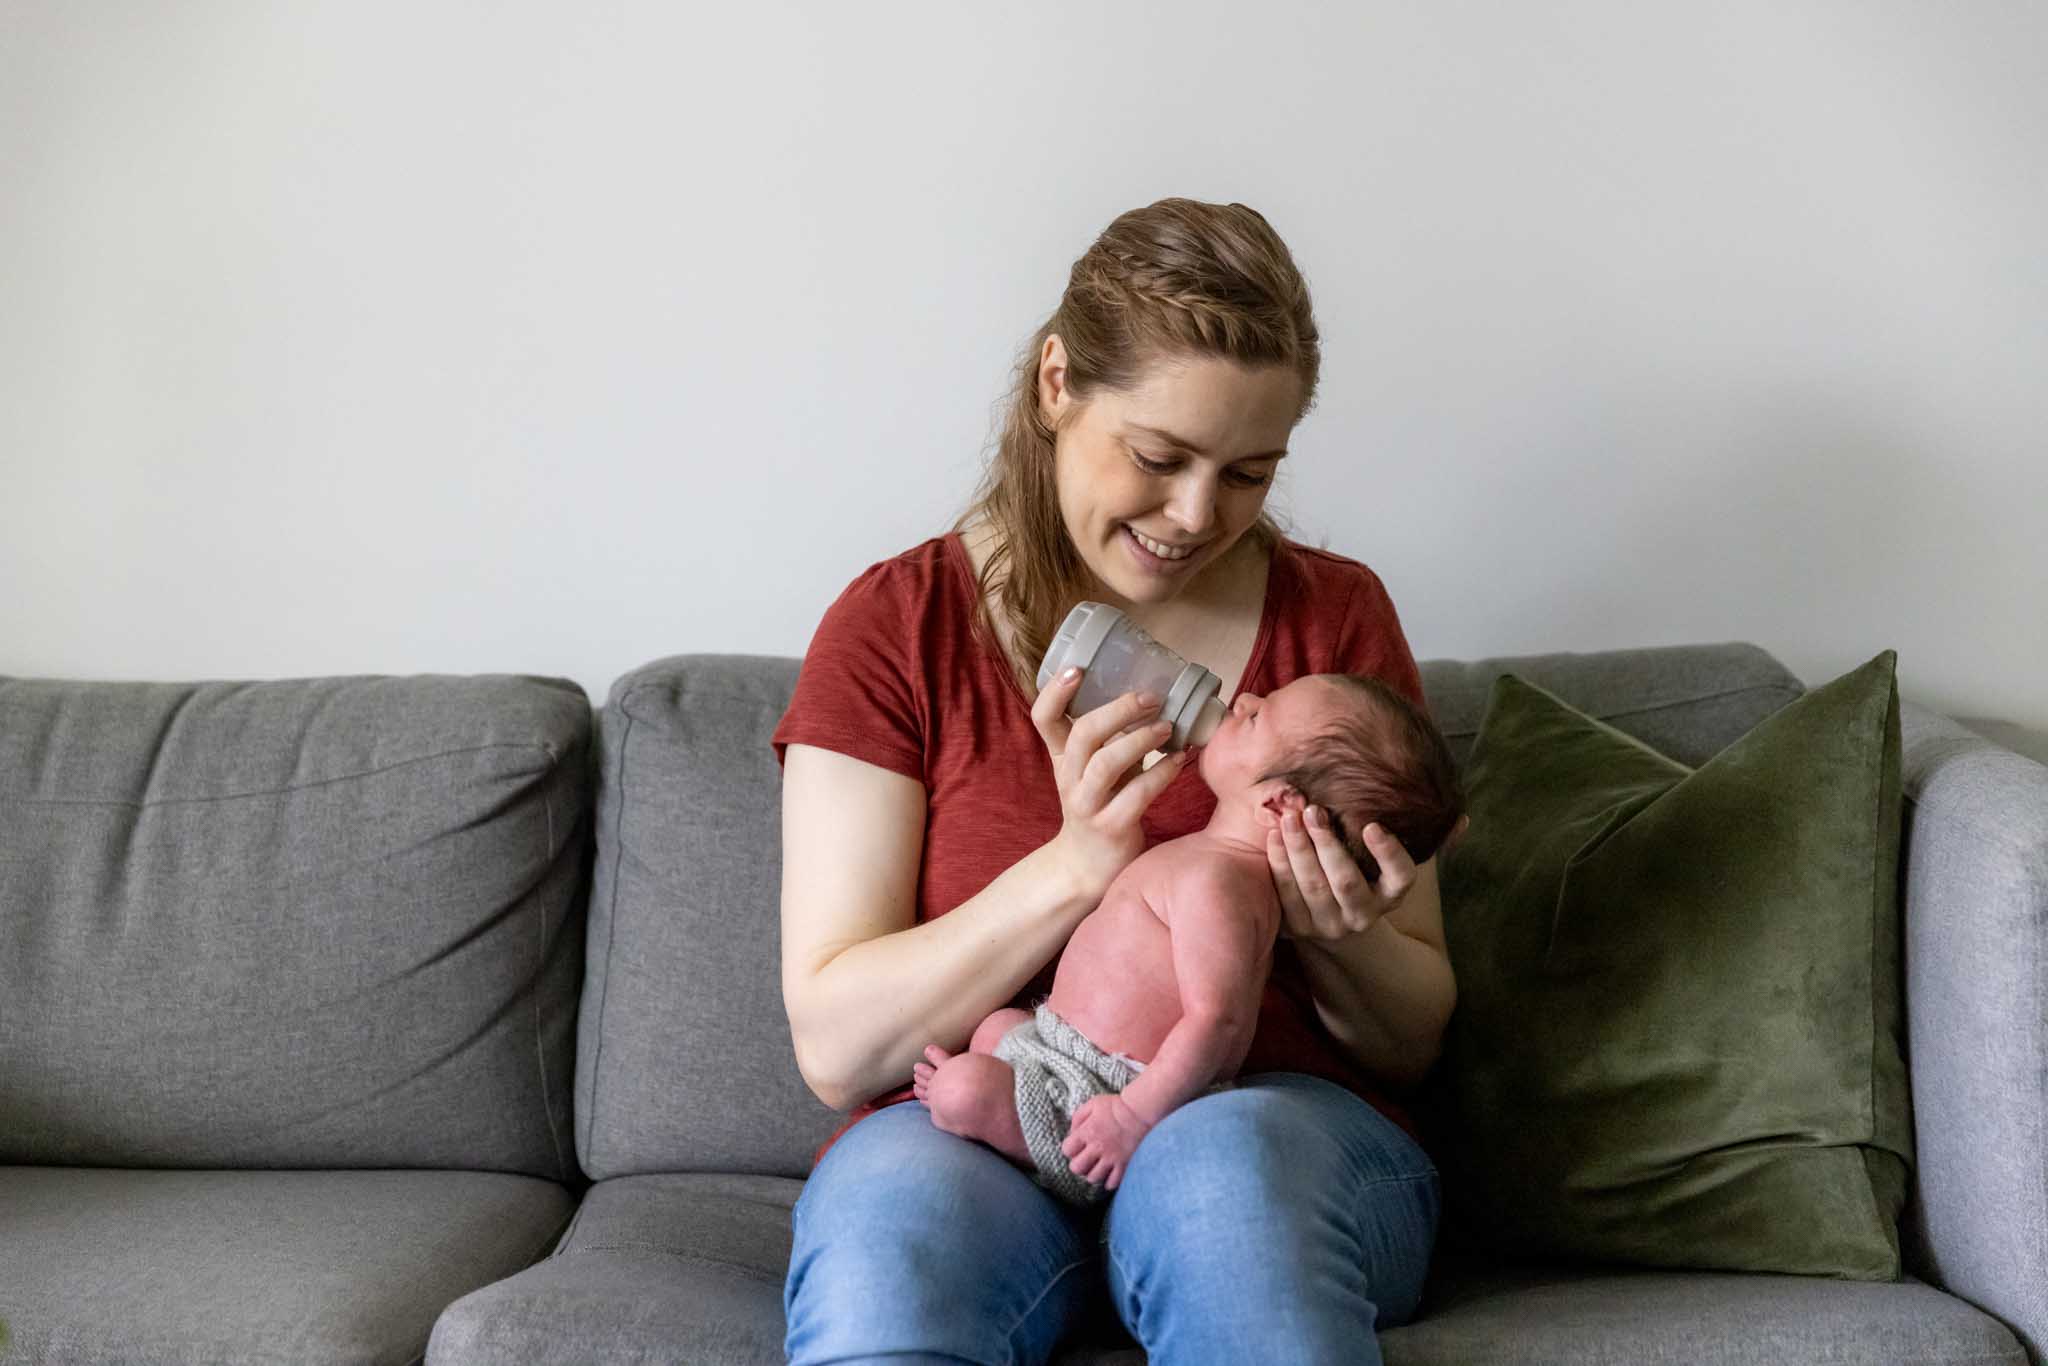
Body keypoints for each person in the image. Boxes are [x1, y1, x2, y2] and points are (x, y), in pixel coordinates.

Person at [772, 197, 1465, 1365]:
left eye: (1248, 473)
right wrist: (1077, 867)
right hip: (986, 1121)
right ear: (1056, 384)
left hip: (1270, 1127)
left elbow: (1416, 1037)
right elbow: (837, 1049)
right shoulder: (897, 628)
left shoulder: (1333, 625)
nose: (1196, 516)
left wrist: (1332, 935)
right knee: (889, 1242)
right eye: (1158, 457)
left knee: (1218, 1189)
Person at [912, 672, 1464, 1208]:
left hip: (1107, 1090)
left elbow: (1215, 1022)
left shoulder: (1221, 885)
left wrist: (1133, 1116)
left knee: (964, 1090)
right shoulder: (1211, 862)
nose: (1243, 698)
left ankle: (1039, 1151)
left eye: (1256, 717)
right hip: (1060, 1047)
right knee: (995, 1027)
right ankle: (1009, 1108)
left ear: (1277, 803)